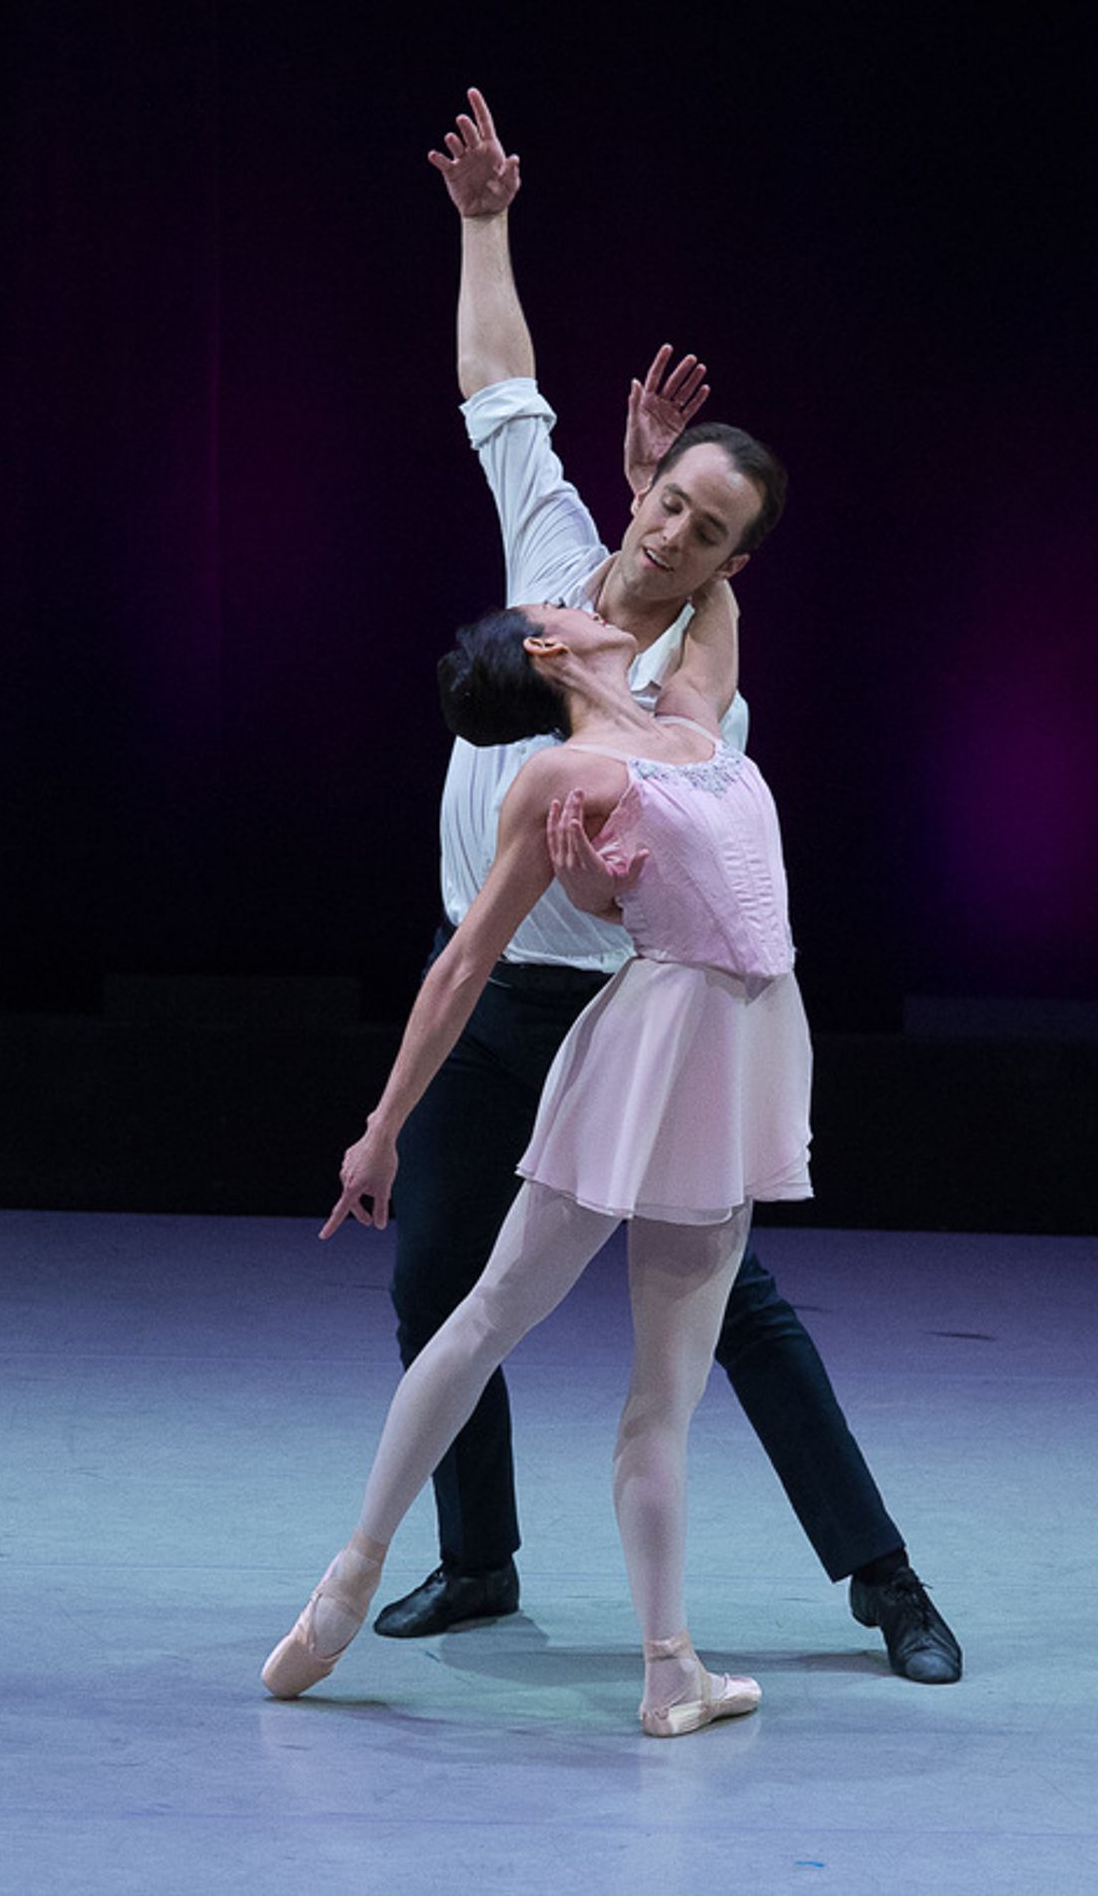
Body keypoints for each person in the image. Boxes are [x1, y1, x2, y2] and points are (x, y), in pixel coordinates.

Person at [377, 89, 961, 1684]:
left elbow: (685, 875)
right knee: (436, 1281)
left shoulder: (705, 711)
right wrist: (486, 225)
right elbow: (501, 385)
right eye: (668, 495)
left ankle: (884, 1577)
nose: (668, 522)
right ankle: (477, 1559)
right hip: (484, 994)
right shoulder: (554, 540)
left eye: (706, 525)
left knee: (736, 1307)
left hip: (619, 1026)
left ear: (726, 568)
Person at [263, 582, 806, 1735]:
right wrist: (383, 1126)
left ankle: (671, 1674)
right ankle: (342, 1586)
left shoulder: (687, 721)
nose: (601, 579)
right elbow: (460, 967)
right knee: (488, 1309)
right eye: (557, 600)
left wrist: (659, 475)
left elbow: (712, 574)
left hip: (729, 1068)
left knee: (665, 1395)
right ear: (549, 646)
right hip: (645, 1061)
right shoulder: (558, 776)